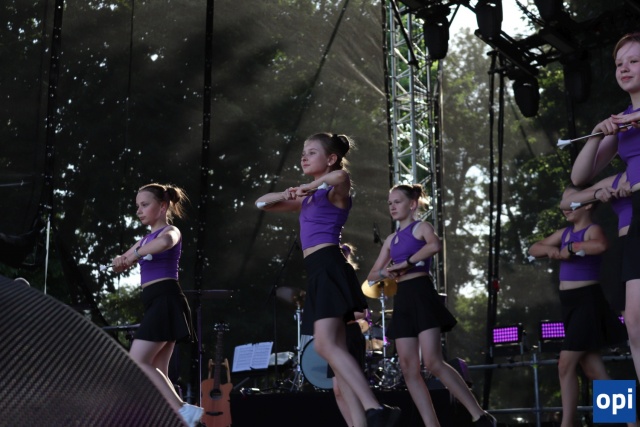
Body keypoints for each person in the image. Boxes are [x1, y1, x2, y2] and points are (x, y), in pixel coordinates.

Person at [255, 133, 401, 427]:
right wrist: (289, 193)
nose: (304, 157)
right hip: (318, 270)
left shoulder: (334, 193)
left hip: (330, 266)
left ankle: (375, 407)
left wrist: (310, 186)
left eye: (312, 152)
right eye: (303, 152)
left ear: (331, 158)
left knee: (323, 345)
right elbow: (261, 203)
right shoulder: (308, 198)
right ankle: (369, 416)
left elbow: (341, 176)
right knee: (333, 356)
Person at [365, 184, 496, 427]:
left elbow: (434, 245)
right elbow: (372, 275)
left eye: (397, 201)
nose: (392, 206)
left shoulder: (421, 227)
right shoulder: (391, 240)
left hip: (422, 293)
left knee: (433, 362)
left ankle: (479, 415)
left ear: (412, 204)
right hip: (402, 299)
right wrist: (388, 271)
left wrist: (407, 262)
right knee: (408, 368)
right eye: (390, 203)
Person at [570, 31, 640, 383]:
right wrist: (598, 134)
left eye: (634, 61)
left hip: (588, 301)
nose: (624, 68)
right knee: (634, 326)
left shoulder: (631, 120)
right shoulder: (622, 119)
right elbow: (578, 179)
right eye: (618, 63)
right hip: (635, 220)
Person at [529, 185, 630, 427]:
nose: (565, 208)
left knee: (565, 363)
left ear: (587, 204)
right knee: (595, 371)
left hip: (588, 301)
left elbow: (601, 245)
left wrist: (572, 248)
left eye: (571, 203)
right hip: (570, 304)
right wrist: (552, 250)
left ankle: (567, 424)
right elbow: (534, 248)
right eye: (563, 204)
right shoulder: (564, 233)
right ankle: (631, 422)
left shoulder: (591, 229)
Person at [111, 183, 203, 427]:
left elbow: (164, 244)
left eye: (145, 205)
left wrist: (135, 254)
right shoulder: (144, 240)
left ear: (162, 206)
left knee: (138, 361)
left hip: (166, 299)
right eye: (137, 206)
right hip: (155, 302)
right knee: (158, 370)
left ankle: (184, 410)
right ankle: (176, 418)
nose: (139, 211)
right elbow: (122, 262)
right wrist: (120, 260)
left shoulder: (171, 231)